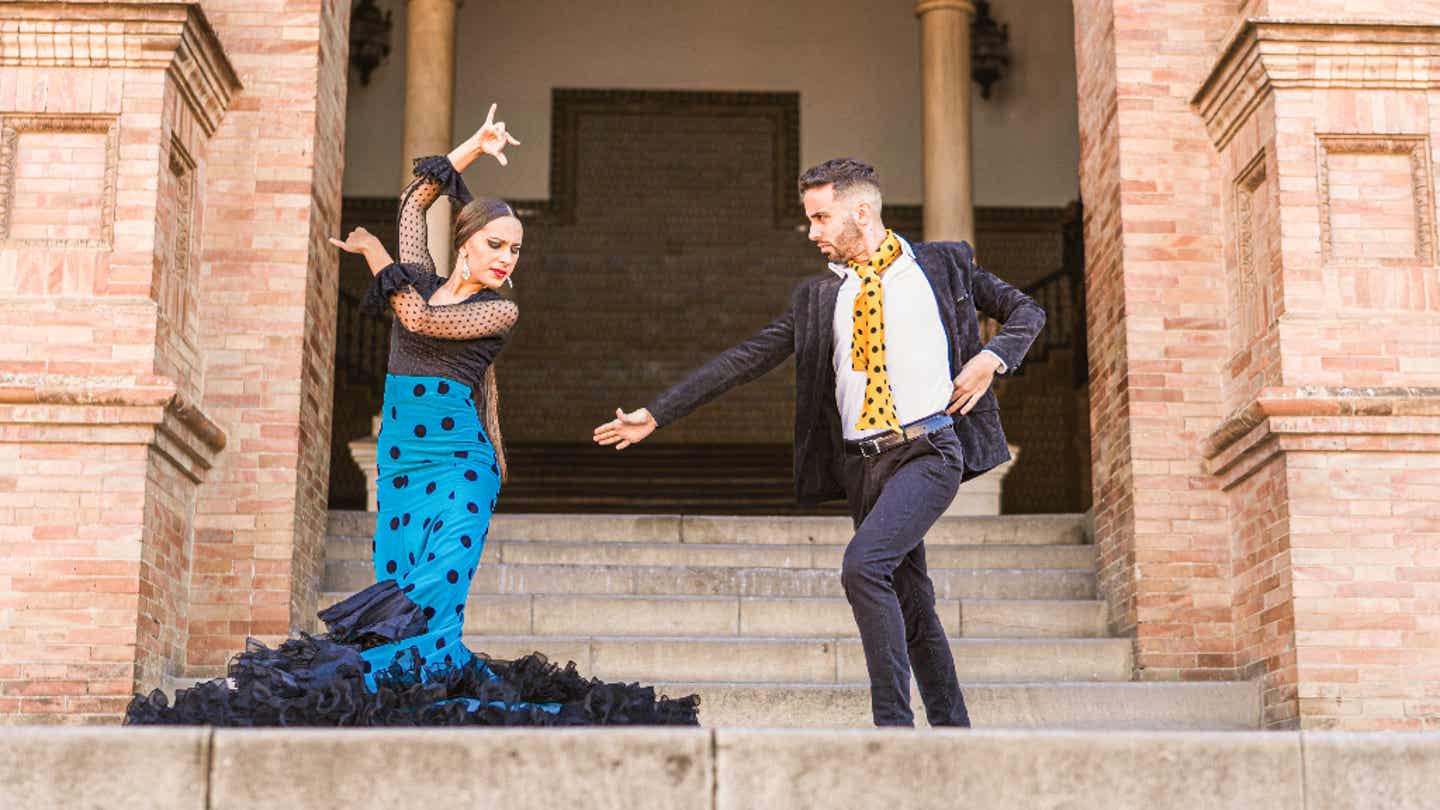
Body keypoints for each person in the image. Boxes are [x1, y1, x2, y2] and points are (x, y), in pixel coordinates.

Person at [125, 105, 698, 727]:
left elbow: (420, 321)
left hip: (459, 468)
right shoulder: (420, 278)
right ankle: (403, 697)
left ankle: (359, 697)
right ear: (467, 242)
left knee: (432, 603)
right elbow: (412, 204)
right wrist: (470, 151)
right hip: (401, 467)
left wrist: (374, 256)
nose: (507, 258)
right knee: (398, 601)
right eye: (496, 244)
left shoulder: (498, 311)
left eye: (516, 249)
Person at [594, 158, 1044, 727]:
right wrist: (657, 414)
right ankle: (953, 731)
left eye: (820, 217)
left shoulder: (943, 265)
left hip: (929, 449)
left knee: (863, 567)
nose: (812, 231)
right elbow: (747, 357)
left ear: (862, 211)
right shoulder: (821, 298)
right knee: (913, 602)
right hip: (864, 468)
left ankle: (892, 730)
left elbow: (1027, 310)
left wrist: (990, 358)